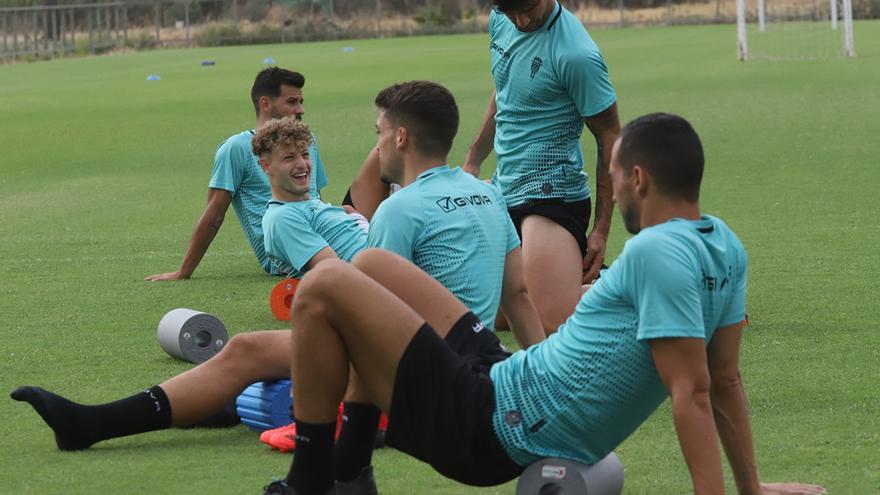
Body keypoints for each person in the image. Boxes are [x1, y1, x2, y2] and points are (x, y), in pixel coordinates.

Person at [265, 113, 827, 495]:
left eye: (613, 178)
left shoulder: (655, 251)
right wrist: (751, 489)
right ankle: (352, 472)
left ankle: (312, 480)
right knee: (371, 267)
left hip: (491, 426)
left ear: (638, 178)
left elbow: (696, 393)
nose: (614, 191)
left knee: (321, 287)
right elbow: (725, 380)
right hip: (507, 377)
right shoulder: (723, 243)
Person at [10, 84, 544, 458]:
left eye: (380, 131)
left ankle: (94, 424)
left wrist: (338, 417)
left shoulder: (400, 210)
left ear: (400, 138)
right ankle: (163, 413)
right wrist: (539, 382)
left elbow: (371, 313)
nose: (376, 142)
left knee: (245, 351)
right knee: (255, 361)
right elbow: (518, 295)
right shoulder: (486, 193)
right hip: (470, 359)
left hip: (417, 370)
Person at [462, 0, 621, 334]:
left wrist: (602, 229)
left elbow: (609, 136)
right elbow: (504, 90)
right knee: (481, 312)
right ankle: (600, 281)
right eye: (510, 12)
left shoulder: (576, 55)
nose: (520, 20)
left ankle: (664, 291)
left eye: (527, 9)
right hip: (504, 190)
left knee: (550, 321)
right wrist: (473, 161)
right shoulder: (500, 18)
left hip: (552, 194)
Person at [145, 67, 329, 281]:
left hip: (320, 229)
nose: (300, 109)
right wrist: (183, 272)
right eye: (291, 102)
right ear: (265, 104)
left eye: (301, 102)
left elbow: (316, 196)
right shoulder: (238, 148)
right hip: (285, 250)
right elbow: (214, 214)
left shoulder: (307, 140)